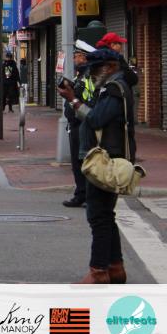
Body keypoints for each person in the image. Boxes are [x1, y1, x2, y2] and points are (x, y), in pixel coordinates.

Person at [57, 48, 136, 284]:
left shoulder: (114, 90)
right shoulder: (113, 87)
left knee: (98, 216)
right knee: (105, 215)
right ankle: (115, 267)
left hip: (105, 160)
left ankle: (98, 271)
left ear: (111, 67)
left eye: (95, 69)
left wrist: (73, 100)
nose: (91, 74)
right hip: (106, 157)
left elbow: (95, 118)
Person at [61, 43, 94, 208]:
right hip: (74, 124)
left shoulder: (89, 77)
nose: (74, 59)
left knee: (84, 161)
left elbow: (88, 100)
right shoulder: (79, 76)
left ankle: (88, 196)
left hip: (83, 123)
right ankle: (80, 194)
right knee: (76, 162)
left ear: (85, 57)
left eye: (77, 56)